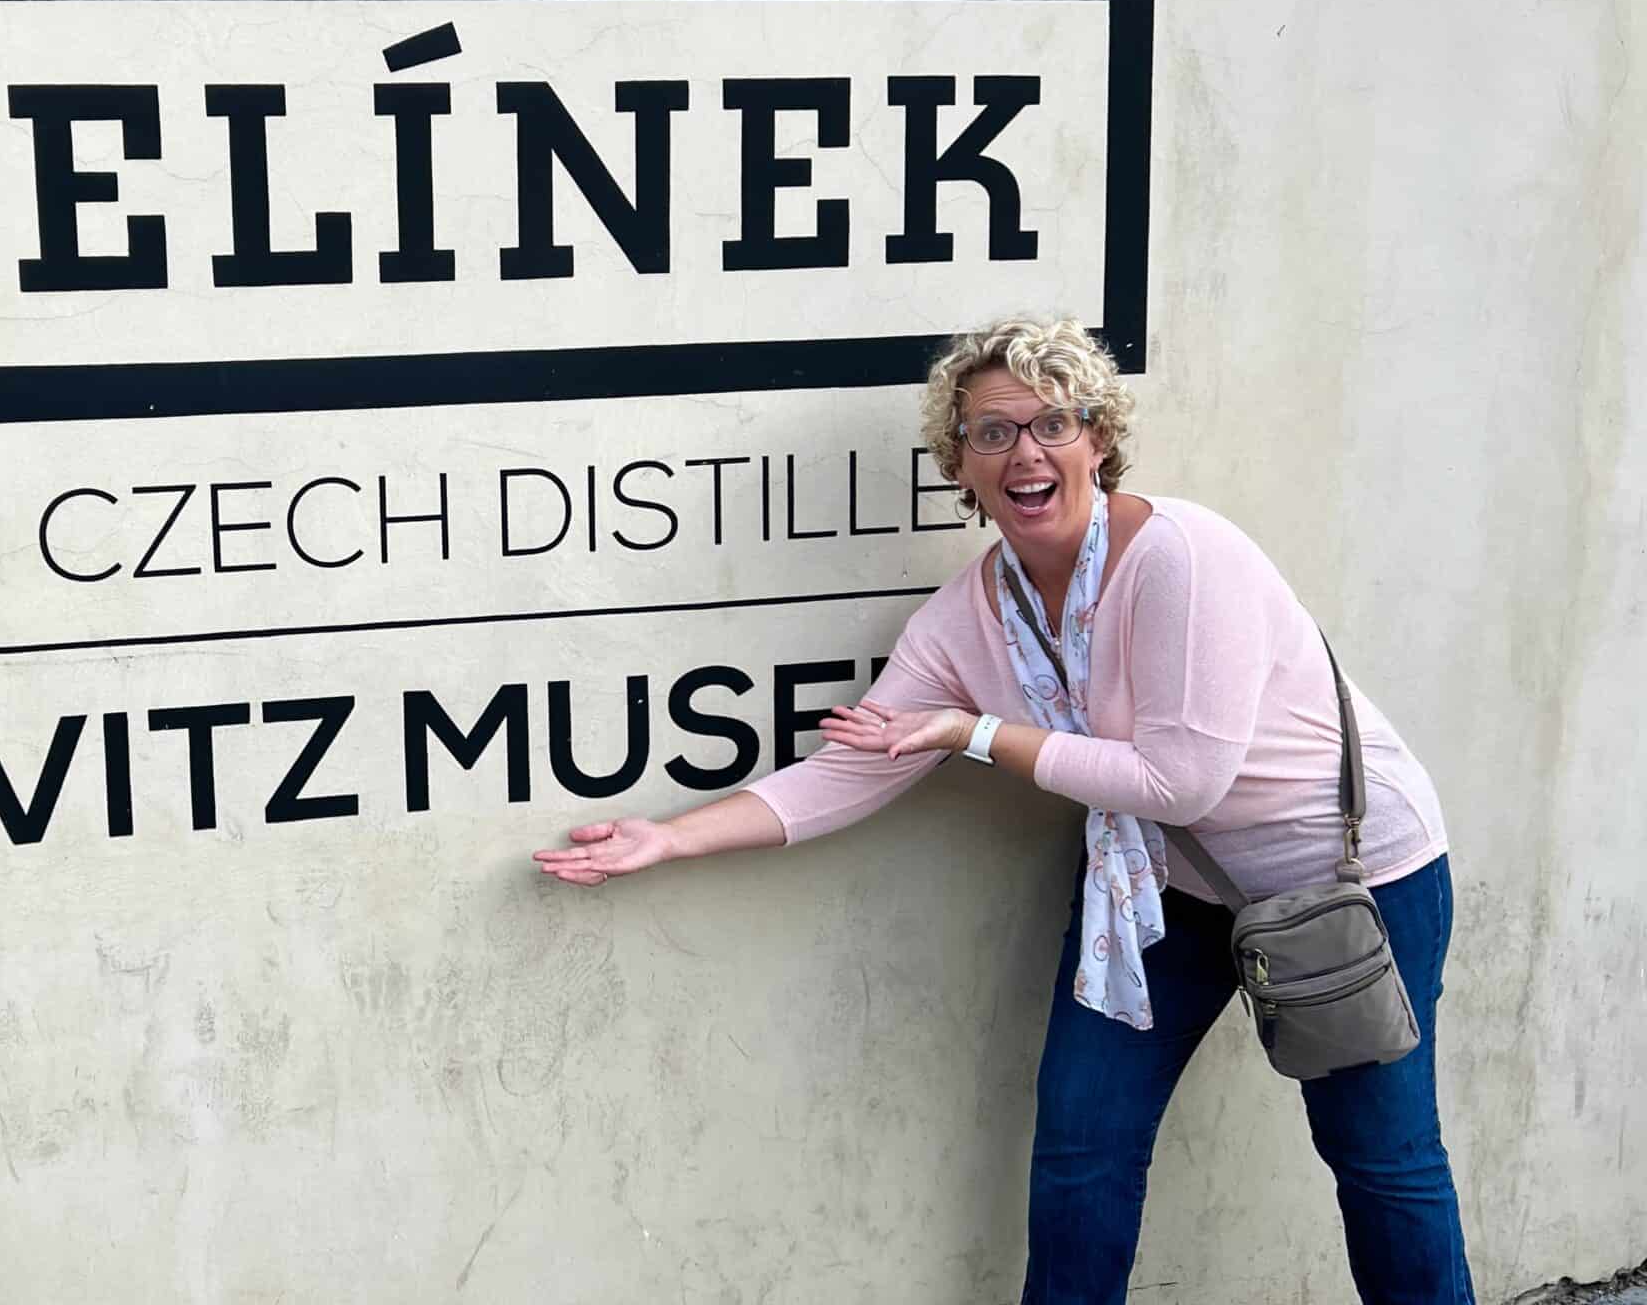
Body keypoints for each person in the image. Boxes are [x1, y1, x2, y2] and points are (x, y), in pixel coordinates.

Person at [533, 318, 1471, 1305]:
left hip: (1349, 876)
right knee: (1082, 1151)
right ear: (960, 467)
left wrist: (973, 734)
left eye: (1052, 424)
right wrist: (666, 838)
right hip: (1160, 888)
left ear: (1097, 442)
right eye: (991, 434)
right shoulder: (970, 617)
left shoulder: (1184, 560)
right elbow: (853, 768)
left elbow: (1179, 781)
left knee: (1379, 1161)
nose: (1024, 452)